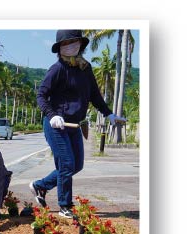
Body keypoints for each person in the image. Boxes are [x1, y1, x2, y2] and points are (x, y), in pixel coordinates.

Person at [30, 29, 126, 218]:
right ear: (60, 48)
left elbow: (94, 96)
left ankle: (40, 186)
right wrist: (51, 115)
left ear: (80, 45)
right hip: (56, 124)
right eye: (67, 43)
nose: (71, 45)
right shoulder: (57, 69)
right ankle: (65, 206)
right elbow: (41, 95)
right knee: (66, 163)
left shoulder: (85, 68)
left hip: (75, 124)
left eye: (75, 42)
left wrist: (109, 115)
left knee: (77, 165)